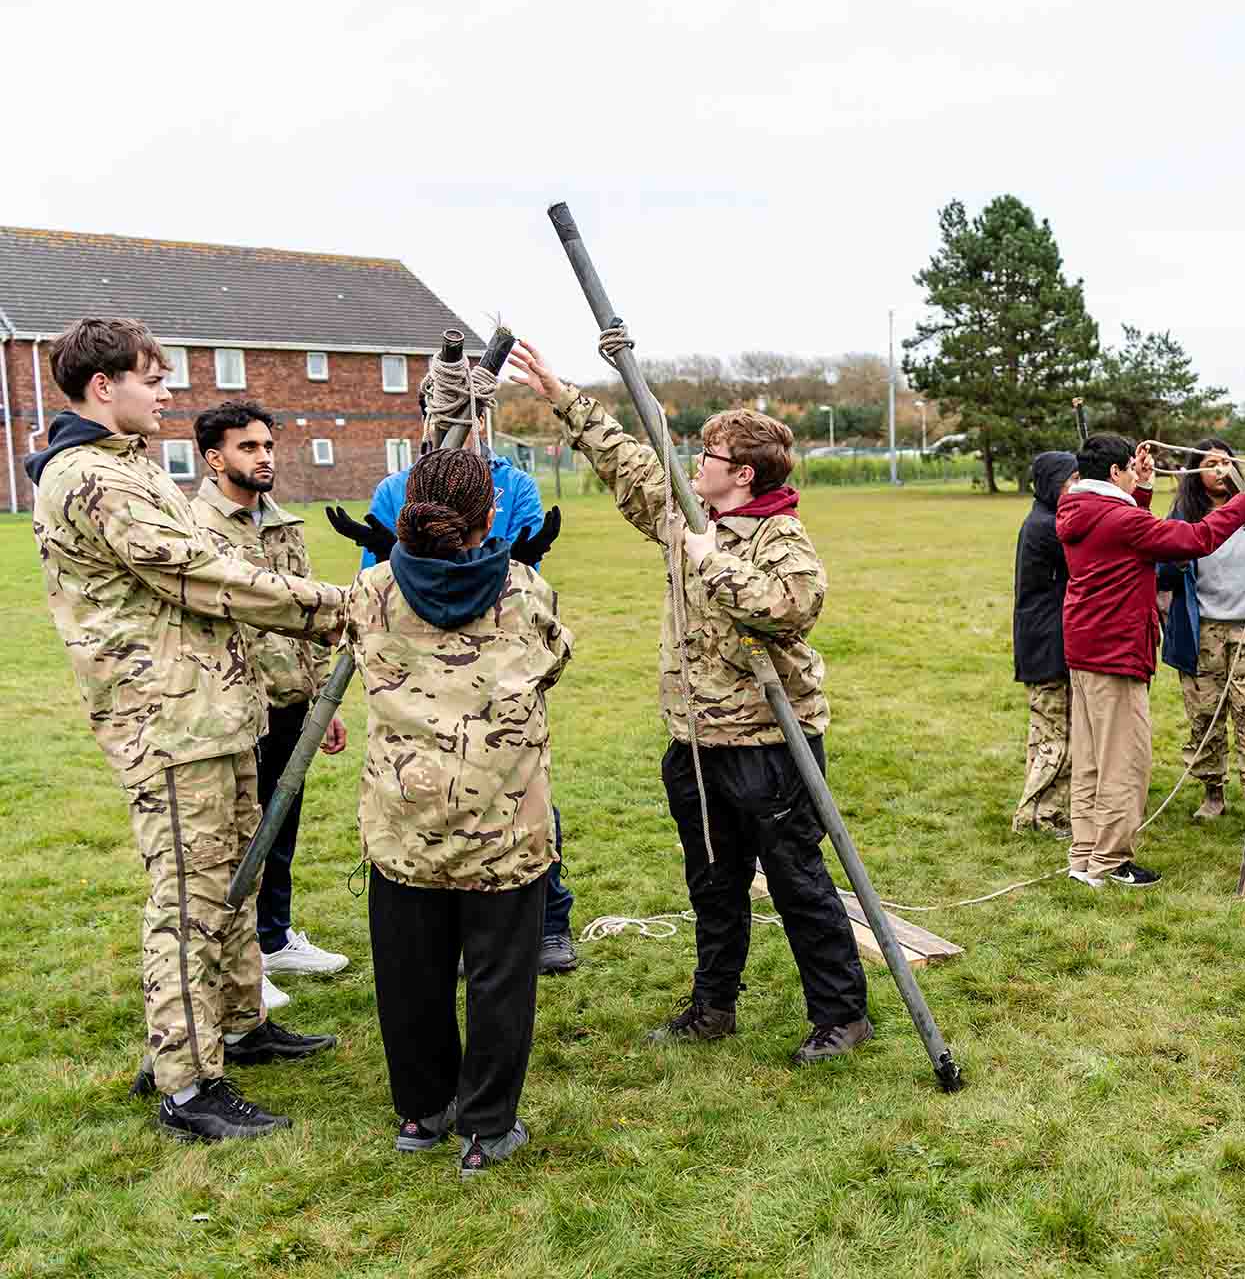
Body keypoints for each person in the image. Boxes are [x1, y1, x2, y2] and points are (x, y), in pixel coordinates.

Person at [509, 336, 873, 1064]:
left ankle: (842, 1014)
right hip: (696, 743)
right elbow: (628, 463)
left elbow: (791, 607)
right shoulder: (683, 516)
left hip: (770, 745)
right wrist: (562, 396)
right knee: (712, 883)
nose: (690, 465)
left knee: (799, 885)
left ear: (740, 474)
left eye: (704, 457)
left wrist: (718, 565)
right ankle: (713, 1007)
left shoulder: (779, 536)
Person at [26, 318, 345, 1142]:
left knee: (232, 882)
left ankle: (239, 1025)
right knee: (187, 898)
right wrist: (335, 608)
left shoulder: (131, 467)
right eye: (154, 378)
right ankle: (187, 1081)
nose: (167, 392)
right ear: (105, 387)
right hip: (167, 724)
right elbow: (197, 574)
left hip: (212, 712)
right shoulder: (94, 478)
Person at [338, 447, 571, 1175]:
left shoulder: (371, 591)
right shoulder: (527, 592)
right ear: (491, 515)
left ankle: (421, 1111)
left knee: (411, 972)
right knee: (501, 978)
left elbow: (357, 652)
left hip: (404, 821)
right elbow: (556, 662)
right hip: (502, 823)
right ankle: (487, 1126)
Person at [364, 391, 582, 976]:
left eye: (470, 411)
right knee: (425, 799)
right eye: (445, 411)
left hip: (498, 667)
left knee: (517, 799)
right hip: (418, 674)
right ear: (427, 417)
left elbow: (532, 586)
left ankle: (548, 922)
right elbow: (377, 589)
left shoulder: (514, 486)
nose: (459, 421)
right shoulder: (395, 490)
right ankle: (447, 932)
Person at [187, 401, 350, 1010]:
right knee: (238, 838)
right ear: (214, 457)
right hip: (233, 706)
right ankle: (240, 963)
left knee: (280, 827)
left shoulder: (284, 525)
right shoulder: (195, 531)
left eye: (267, 447)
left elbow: (306, 622)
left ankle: (274, 939)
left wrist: (319, 703)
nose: (263, 457)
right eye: (248, 448)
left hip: (291, 704)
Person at [1056, 433, 1245, 888]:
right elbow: (1197, 537)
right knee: (1124, 762)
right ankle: (1111, 861)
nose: (1136, 473)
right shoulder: (1117, 519)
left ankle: (1084, 855)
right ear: (1115, 473)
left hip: (1085, 649)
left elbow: (1127, 525)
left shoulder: (1081, 508)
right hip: (1115, 653)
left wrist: (1143, 489)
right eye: (1130, 470)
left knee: (1092, 758)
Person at [1155, 439, 1245, 824]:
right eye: (1209, 464)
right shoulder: (1183, 516)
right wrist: (1178, 559)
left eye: (1225, 462)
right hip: (1201, 631)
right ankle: (1212, 794)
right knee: (1204, 719)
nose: (1218, 471)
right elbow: (1161, 573)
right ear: (1194, 472)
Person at [1012, 448, 1079, 837]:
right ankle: (1039, 815)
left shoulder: (1045, 518)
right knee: (1057, 735)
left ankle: (1040, 813)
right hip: (1048, 644)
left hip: (1043, 639)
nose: (1076, 488)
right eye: (1071, 481)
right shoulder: (1047, 526)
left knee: (1047, 734)